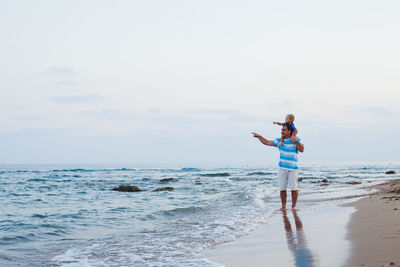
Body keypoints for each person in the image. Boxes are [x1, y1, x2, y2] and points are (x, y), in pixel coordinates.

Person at [251, 124, 304, 210]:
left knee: (294, 188)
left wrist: (297, 142)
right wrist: (259, 137)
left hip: (293, 168)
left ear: (289, 131)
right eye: (281, 130)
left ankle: (293, 206)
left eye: (284, 130)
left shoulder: (295, 139)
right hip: (282, 167)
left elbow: (302, 150)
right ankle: (283, 206)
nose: (282, 131)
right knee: (282, 188)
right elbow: (267, 142)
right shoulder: (279, 141)